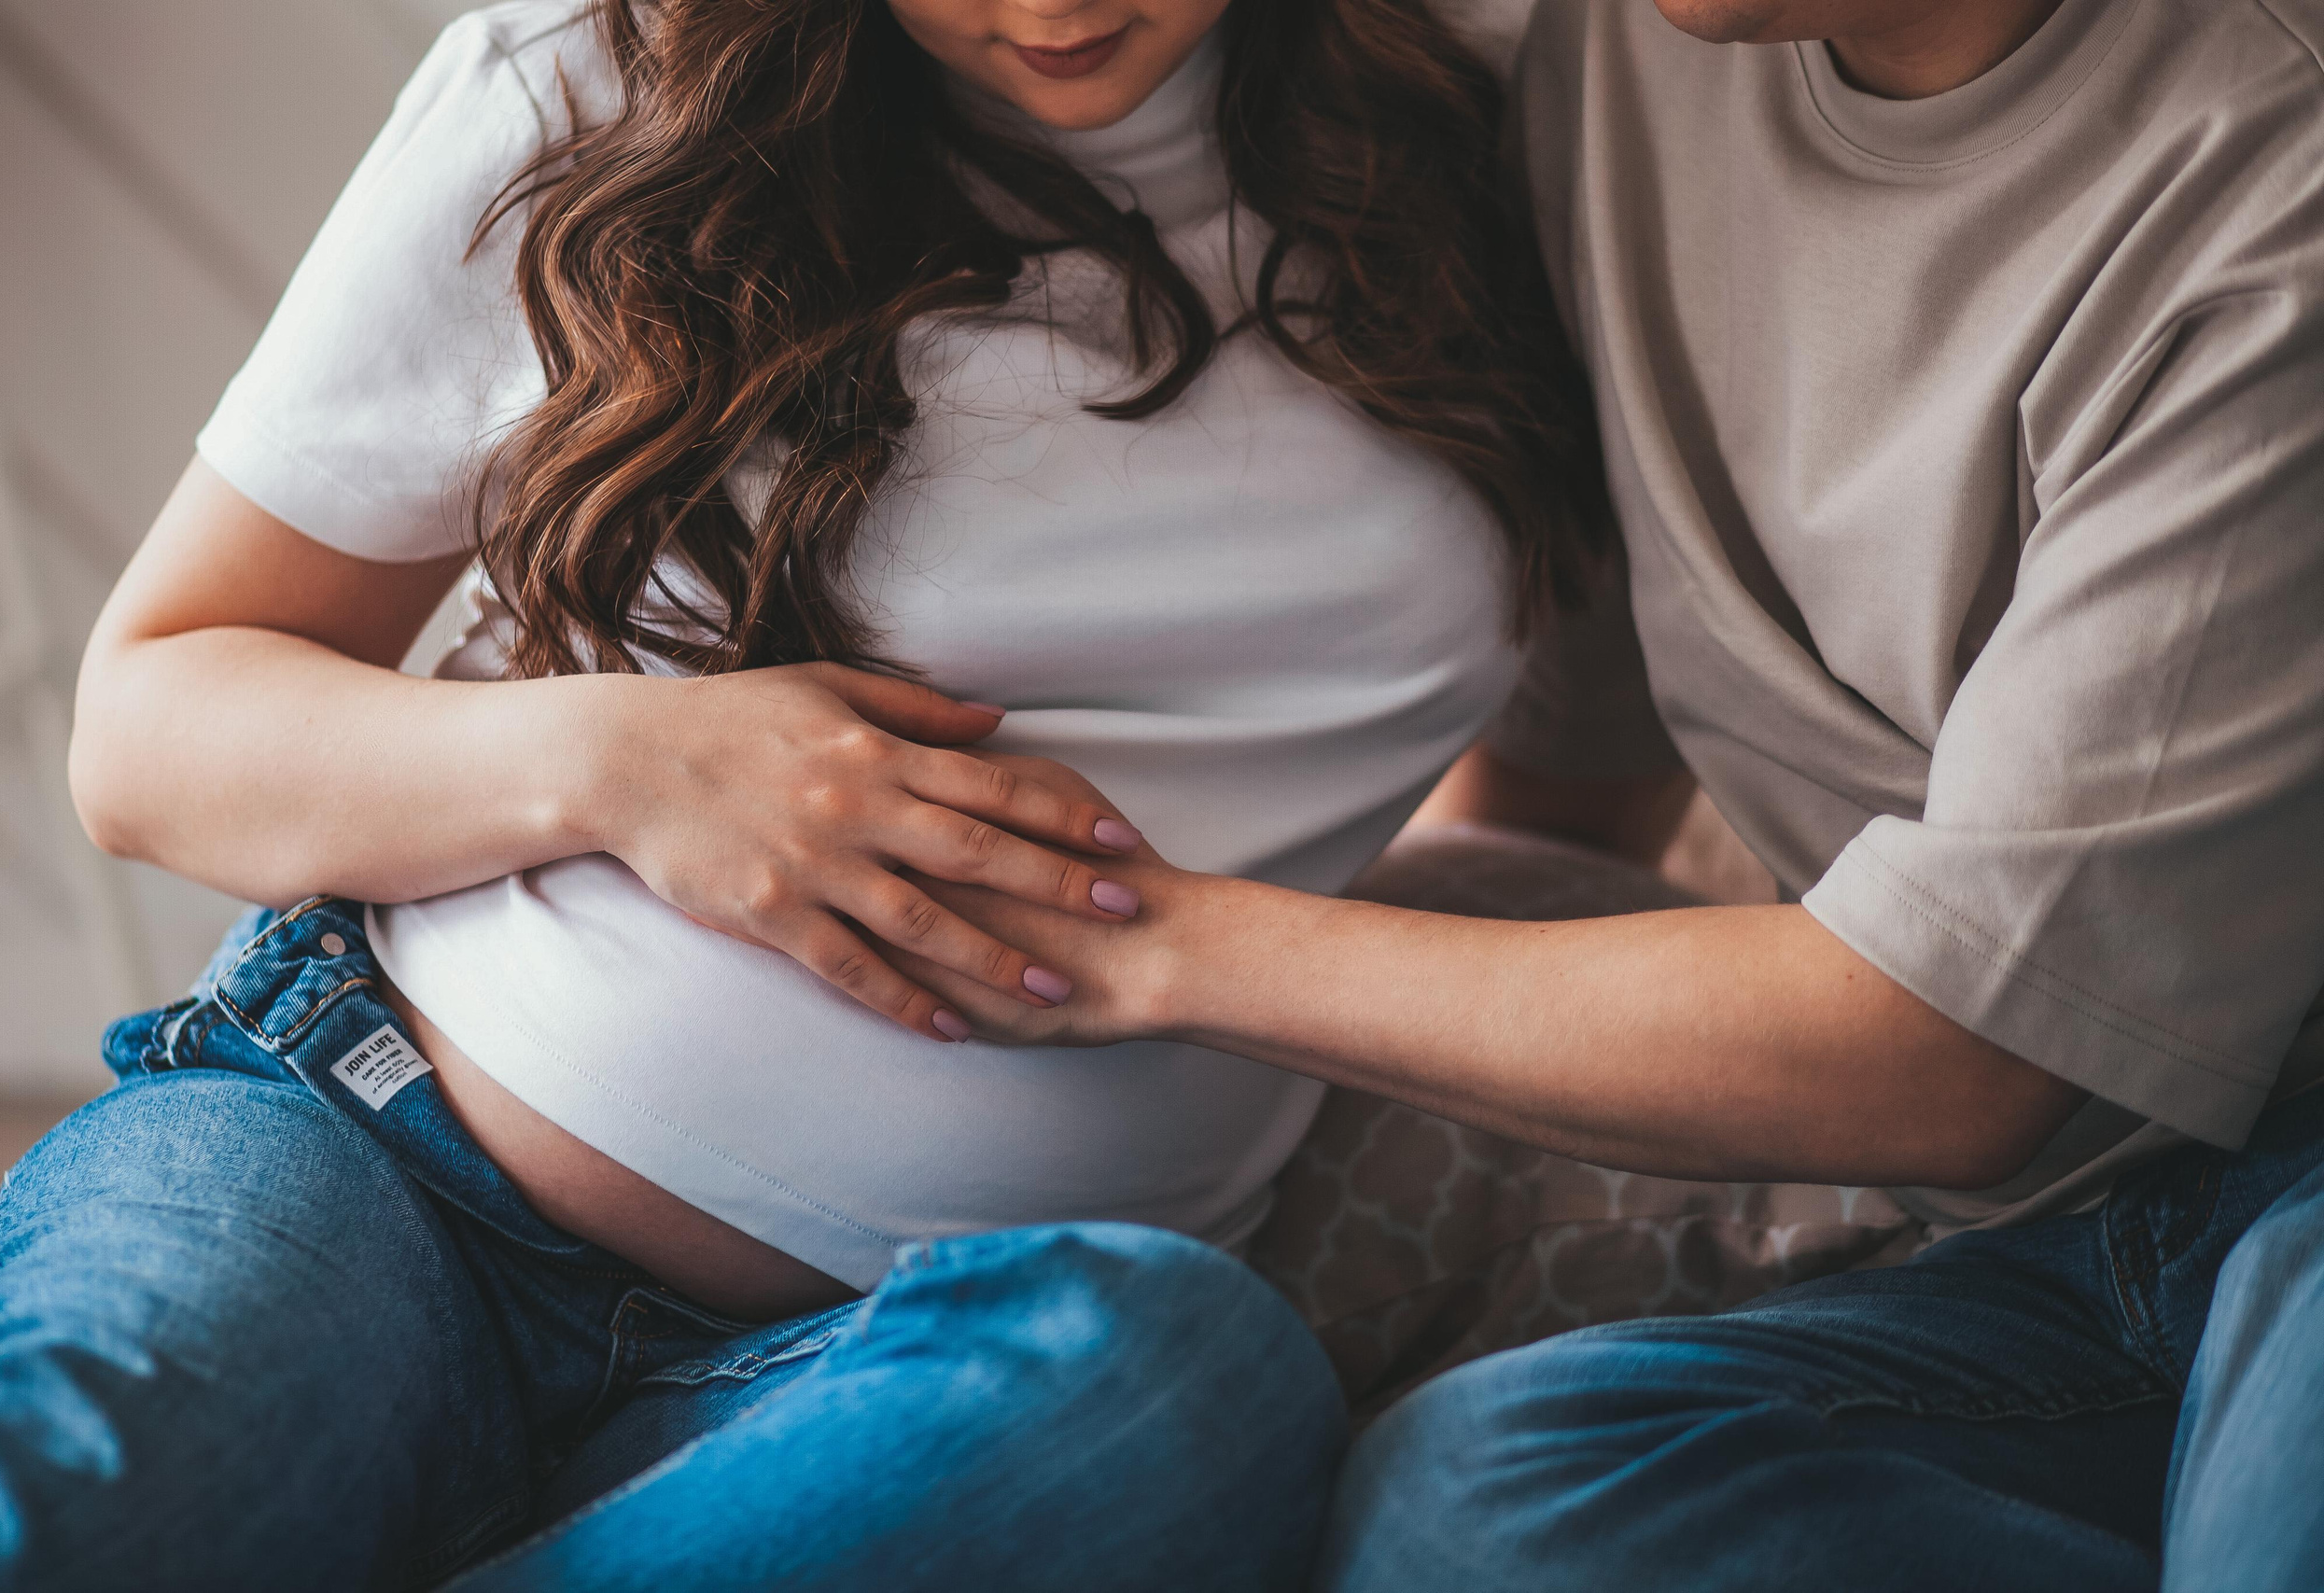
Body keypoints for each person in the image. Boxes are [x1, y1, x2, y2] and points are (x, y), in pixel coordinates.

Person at [0, 0, 1607, 1586]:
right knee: (97, 1492)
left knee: (1187, 1385)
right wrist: (625, 762)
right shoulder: (587, 90)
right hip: (383, 1160)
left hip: (896, 1355)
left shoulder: (1518, 124)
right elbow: (148, 723)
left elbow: (1572, 733)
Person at [896, 0, 2324, 1586]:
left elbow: (1959, 1059)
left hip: (2266, 1165)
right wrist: (584, 753)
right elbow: (1599, 679)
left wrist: (1136, 941)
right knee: (1483, 1509)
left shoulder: (2269, 175)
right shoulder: (1602, 43)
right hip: (2063, 1254)